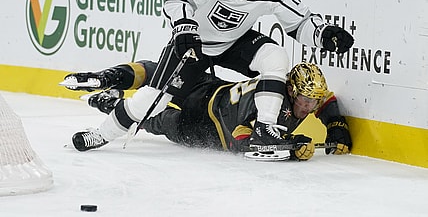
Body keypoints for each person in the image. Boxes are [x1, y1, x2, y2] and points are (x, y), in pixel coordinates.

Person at [68, 0, 353, 152]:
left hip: (235, 42)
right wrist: (183, 29)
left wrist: (323, 34)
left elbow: (299, 23)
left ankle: (266, 128)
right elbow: (176, 0)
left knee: (275, 55)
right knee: (153, 100)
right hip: (196, 42)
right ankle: (101, 134)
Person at [66, 60, 352, 161]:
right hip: (208, 126)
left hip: (211, 93)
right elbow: (242, 144)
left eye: (312, 102)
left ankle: (107, 100)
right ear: (291, 91)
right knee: (158, 78)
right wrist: (289, 150)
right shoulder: (270, 107)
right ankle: (106, 87)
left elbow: (326, 99)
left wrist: (336, 125)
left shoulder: (289, 90)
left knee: (153, 115)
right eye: (304, 99)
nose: (309, 106)